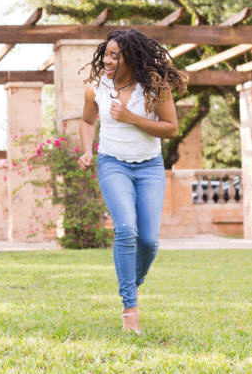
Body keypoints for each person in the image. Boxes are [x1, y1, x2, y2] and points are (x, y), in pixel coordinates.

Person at [77, 29, 187, 335]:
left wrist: (131, 118)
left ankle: (131, 282)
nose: (108, 60)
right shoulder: (96, 87)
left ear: (132, 57)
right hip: (112, 162)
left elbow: (171, 129)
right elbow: (87, 121)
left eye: (116, 55)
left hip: (149, 166)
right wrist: (87, 150)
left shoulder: (154, 87)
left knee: (149, 241)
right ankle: (130, 307)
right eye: (107, 53)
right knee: (125, 229)